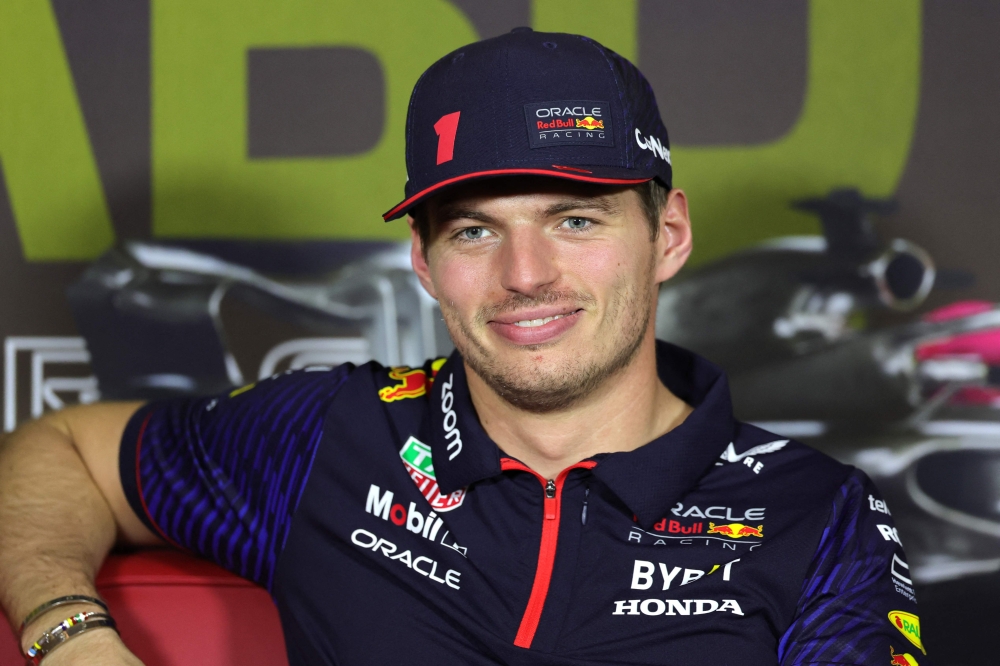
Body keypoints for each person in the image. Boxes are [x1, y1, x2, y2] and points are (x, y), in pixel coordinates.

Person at [0, 28, 925, 665]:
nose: (525, 274)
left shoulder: (819, 516)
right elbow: (60, 450)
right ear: (425, 263)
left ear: (669, 235)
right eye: (474, 231)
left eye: (573, 219)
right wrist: (71, 634)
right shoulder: (329, 436)